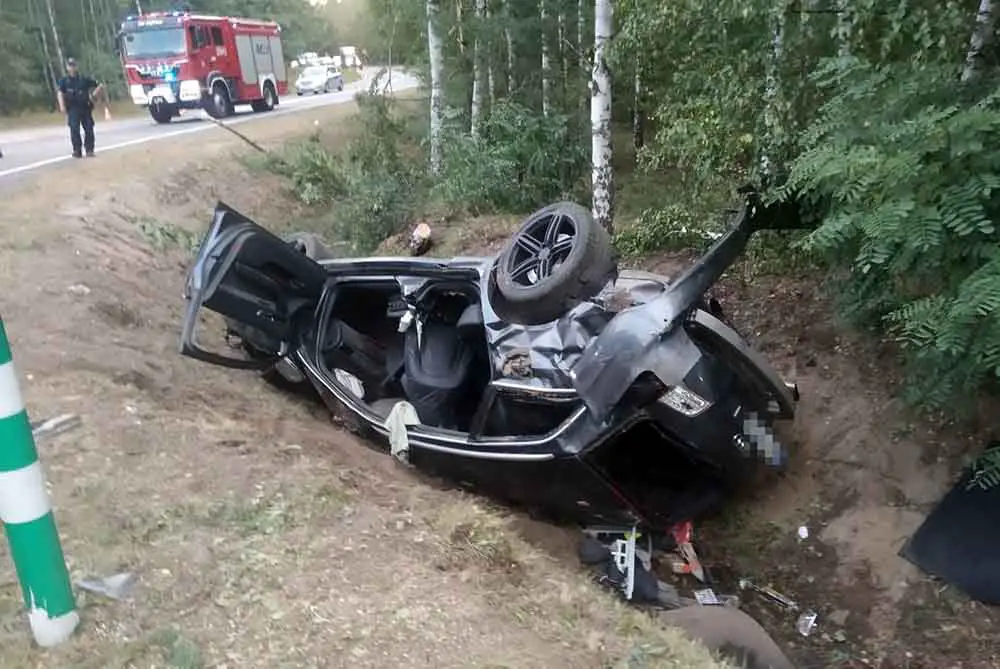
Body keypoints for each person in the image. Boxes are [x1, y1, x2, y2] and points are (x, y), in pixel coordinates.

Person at [57, 58, 106, 159]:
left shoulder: (84, 79)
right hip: (72, 108)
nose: (72, 68)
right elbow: (60, 93)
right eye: (70, 66)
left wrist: (94, 96)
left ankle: (89, 150)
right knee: (74, 129)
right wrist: (62, 106)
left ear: (77, 67)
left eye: (73, 65)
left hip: (85, 107)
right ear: (67, 68)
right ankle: (77, 150)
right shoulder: (64, 81)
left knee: (89, 128)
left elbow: (100, 85)